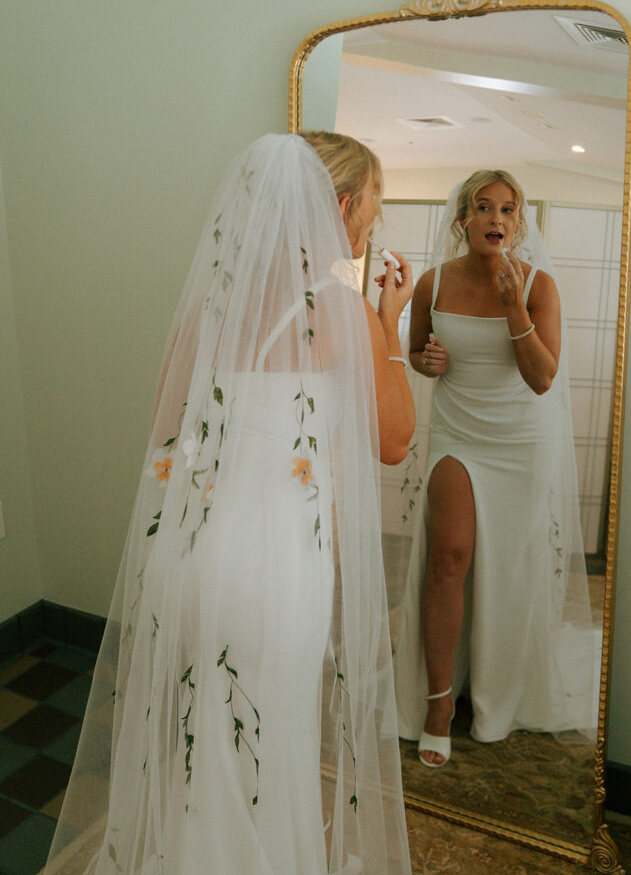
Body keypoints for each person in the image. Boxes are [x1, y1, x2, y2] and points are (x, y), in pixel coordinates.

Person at [45, 132, 415, 874]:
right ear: (339, 208)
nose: (371, 225)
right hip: (273, 574)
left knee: (199, 743)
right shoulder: (339, 312)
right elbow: (394, 440)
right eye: (371, 208)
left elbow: (167, 440)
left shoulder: (209, 309)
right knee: (267, 739)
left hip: (191, 563)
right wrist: (388, 326)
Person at [394, 170, 596, 768]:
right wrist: (427, 362)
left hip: (520, 442)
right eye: (484, 207)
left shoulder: (538, 285)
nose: (496, 219)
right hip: (459, 436)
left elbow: (541, 378)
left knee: (509, 569)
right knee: (448, 558)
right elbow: (418, 356)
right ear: (463, 219)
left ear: (520, 223)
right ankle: (435, 703)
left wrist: (513, 307)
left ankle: (494, 692)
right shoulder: (433, 282)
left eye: (508, 210)